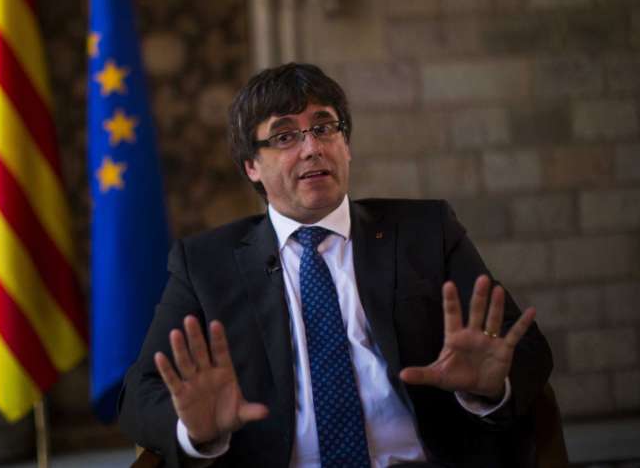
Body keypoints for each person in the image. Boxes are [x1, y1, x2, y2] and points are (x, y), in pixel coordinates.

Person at [118, 63, 553, 468]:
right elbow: (139, 394)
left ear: (345, 145)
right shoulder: (205, 264)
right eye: (285, 136)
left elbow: (524, 348)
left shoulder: (425, 231)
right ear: (251, 166)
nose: (312, 149)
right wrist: (197, 432)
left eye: (324, 127)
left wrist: (487, 390)